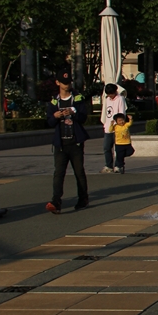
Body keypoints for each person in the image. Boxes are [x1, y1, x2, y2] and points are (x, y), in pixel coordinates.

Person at [45, 71, 90, 213]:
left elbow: (83, 118)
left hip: (75, 142)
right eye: (64, 83)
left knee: (79, 172)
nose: (67, 85)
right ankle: (56, 201)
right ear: (57, 83)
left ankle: (83, 199)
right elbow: (49, 122)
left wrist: (73, 113)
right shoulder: (54, 101)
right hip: (60, 144)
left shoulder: (77, 98)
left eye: (69, 82)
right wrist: (55, 116)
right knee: (59, 173)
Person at [99, 82, 127, 173]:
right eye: (108, 94)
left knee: (118, 148)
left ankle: (119, 165)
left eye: (111, 94)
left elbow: (122, 113)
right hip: (108, 127)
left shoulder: (120, 99)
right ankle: (108, 165)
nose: (110, 96)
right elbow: (105, 111)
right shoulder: (107, 99)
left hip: (117, 128)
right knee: (106, 147)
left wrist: (119, 123)